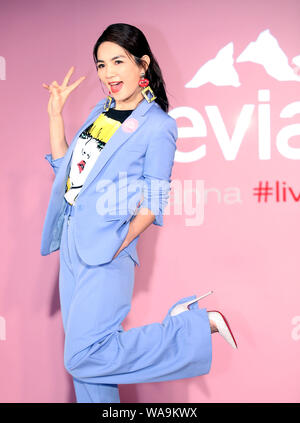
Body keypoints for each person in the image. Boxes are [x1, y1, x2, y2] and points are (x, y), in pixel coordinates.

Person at [41, 23, 237, 404]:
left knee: (84, 356)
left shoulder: (158, 126)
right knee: (93, 366)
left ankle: (193, 328)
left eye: (118, 61)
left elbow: (155, 200)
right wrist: (55, 115)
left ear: (142, 64)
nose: (108, 73)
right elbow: (68, 173)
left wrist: (119, 243)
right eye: (101, 65)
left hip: (108, 249)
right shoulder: (100, 111)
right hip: (71, 243)